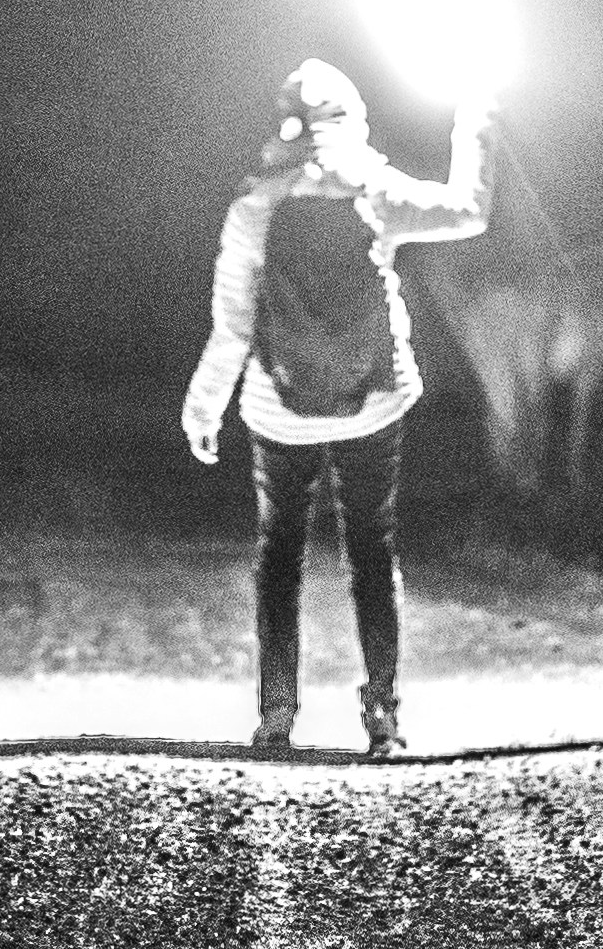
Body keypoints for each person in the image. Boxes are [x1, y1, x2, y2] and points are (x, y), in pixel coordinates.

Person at [182, 53, 495, 759]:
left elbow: (233, 325)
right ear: (349, 120)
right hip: (374, 406)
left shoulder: (254, 205)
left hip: (276, 408)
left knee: (279, 556)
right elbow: (471, 211)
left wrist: (203, 406)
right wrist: (477, 119)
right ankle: (382, 715)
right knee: (371, 549)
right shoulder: (372, 191)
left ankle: (275, 715)